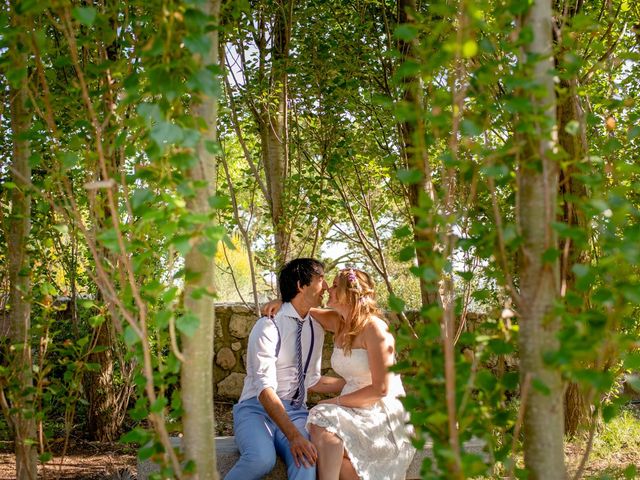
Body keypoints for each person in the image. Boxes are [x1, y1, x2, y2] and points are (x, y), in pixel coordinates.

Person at [264, 268, 415, 480]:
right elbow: (303, 308)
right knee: (342, 466)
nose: (328, 289)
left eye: (334, 286)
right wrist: (283, 304)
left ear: (349, 293)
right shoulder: (339, 322)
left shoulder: (375, 329)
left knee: (321, 417)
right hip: (353, 406)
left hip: (378, 409)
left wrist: (335, 401)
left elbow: (381, 389)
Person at [225, 258, 345, 480]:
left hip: (296, 410)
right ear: (301, 285)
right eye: (321, 279)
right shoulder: (268, 326)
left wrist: (352, 384)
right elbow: (263, 389)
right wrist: (294, 436)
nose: (326, 286)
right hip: (255, 409)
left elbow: (310, 380)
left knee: (307, 461)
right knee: (261, 458)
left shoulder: (315, 328)